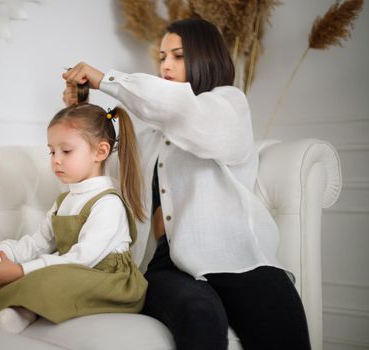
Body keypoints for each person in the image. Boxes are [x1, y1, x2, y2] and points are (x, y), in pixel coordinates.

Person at [62, 18, 311, 350]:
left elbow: (185, 112)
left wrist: (105, 79)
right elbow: (97, 175)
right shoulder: (149, 134)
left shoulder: (229, 106)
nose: (165, 64)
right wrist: (79, 112)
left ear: (206, 57)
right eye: (162, 57)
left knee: (283, 327)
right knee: (199, 316)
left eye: (177, 55)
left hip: (240, 259)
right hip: (169, 267)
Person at [0, 102, 148, 334]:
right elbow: (39, 243)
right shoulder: (63, 202)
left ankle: (25, 309)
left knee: (48, 277)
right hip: (71, 268)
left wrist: (19, 271)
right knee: (13, 272)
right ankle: (25, 304)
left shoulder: (107, 203)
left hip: (106, 281)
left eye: (66, 151)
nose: (56, 159)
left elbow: (83, 259)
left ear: (100, 152)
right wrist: (2, 256)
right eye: (52, 151)